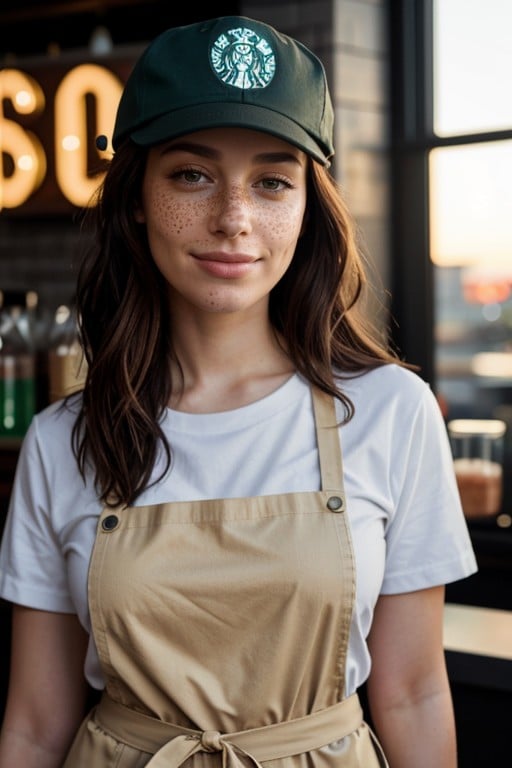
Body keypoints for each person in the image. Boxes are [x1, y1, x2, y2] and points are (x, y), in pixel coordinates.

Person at [0, 14, 477, 768]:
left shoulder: (392, 411)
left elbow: (415, 692)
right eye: (191, 174)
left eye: (272, 181)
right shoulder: (66, 438)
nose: (233, 219)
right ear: (137, 199)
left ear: (306, 206)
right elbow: (33, 722)